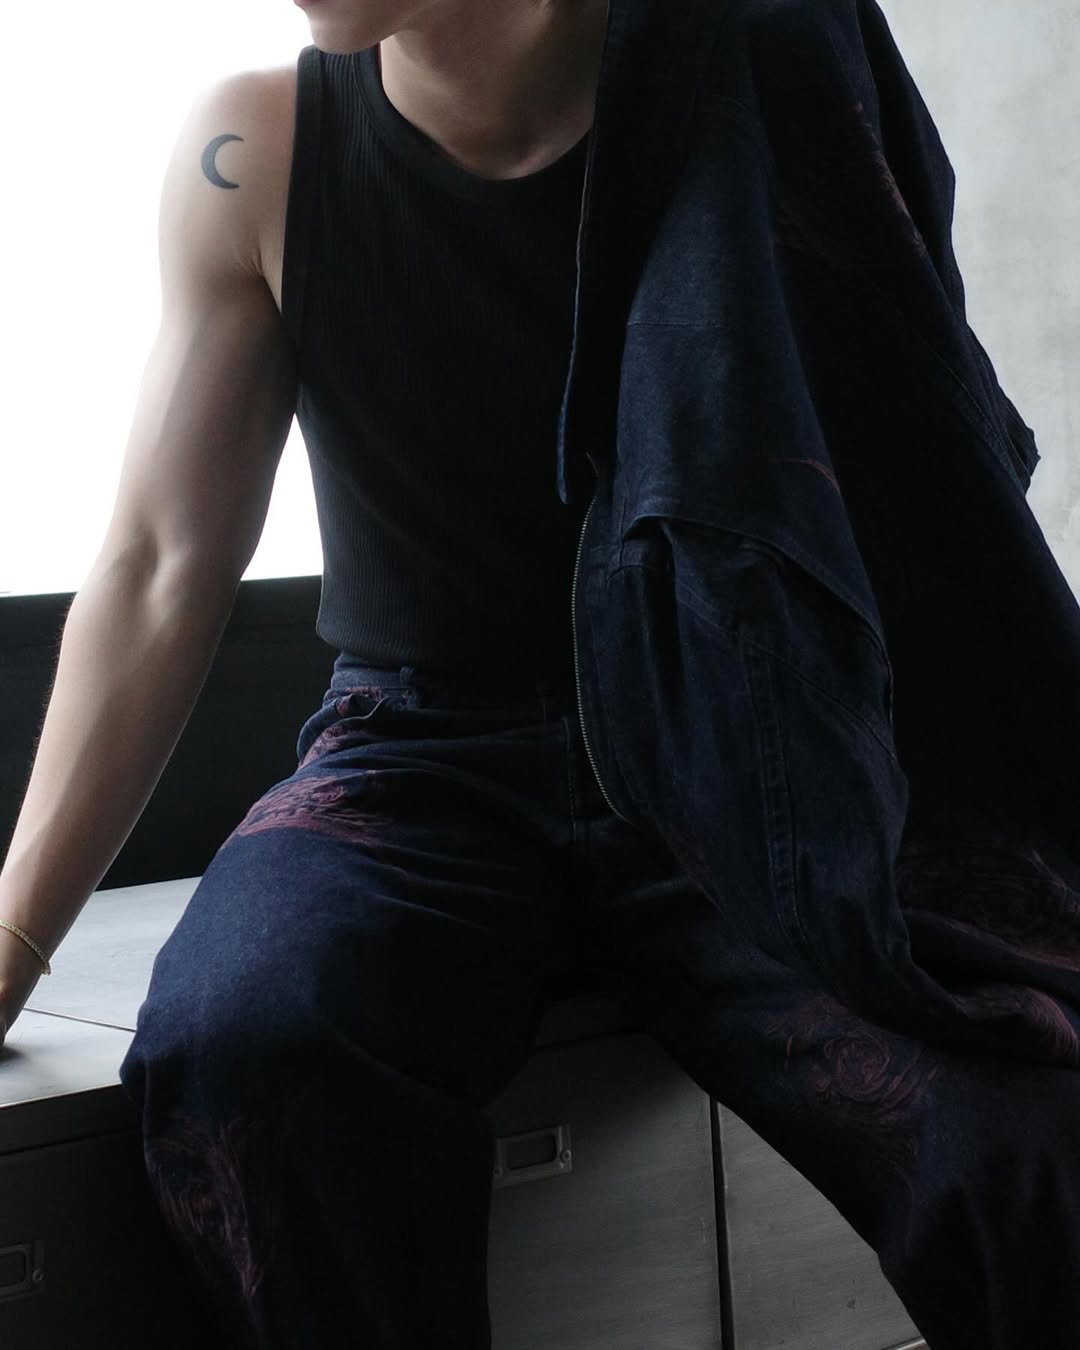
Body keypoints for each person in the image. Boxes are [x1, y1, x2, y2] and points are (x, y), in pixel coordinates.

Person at [2, 2, 1079, 1347]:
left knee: (1026, 1130)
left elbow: (917, 443)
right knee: (248, 1036)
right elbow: (162, 561)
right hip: (418, 753)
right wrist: (13, 937)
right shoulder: (256, 148)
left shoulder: (744, 70)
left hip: (738, 730)